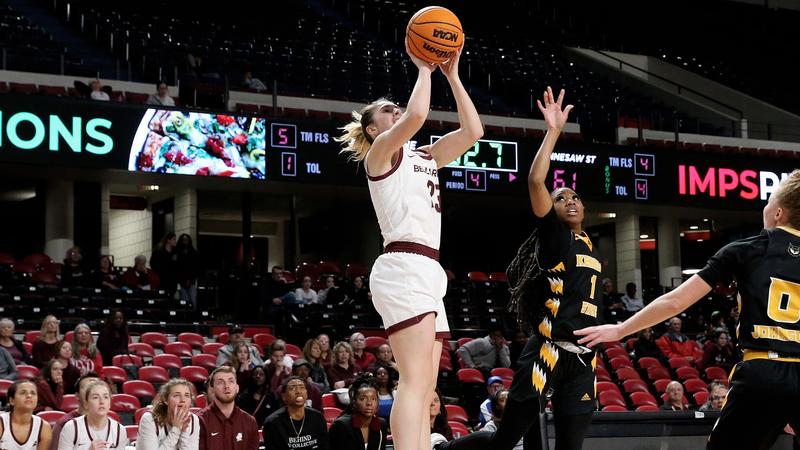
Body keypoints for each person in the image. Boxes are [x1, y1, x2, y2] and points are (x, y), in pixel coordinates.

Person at [575, 170, 800, 449]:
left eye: (767, 201)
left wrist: (621, 329)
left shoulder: (746, 249)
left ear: (778, 213)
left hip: (765, 370)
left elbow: (675, 301)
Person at [335, 37, 482, 450]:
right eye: (387, 111)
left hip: (430, 270)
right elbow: (417, 114)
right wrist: (423, 66)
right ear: (372, 128)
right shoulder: (380, 155)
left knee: (427, 386)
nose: (395, 111)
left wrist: (452, 76)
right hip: (402, 263)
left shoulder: (425, 156)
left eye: (394, 107)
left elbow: (474, 131)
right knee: (414, 383)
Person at [441, 87, 595, 450]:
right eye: (561, 198)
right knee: (505, 442)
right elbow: (535, 181)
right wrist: (554, 132)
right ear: (550, 210)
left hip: (584, 359)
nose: (569, 201)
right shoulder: (555, 239)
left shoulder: (588, 243)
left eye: (574, 196)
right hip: (548, 352)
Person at [198, 366, 259, 450]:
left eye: (231, 381)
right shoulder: (200, 420)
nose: (227, 386)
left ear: (237, 388)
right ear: (212, 390)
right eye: (220, 382)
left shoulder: (250, 422)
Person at [57, 380, 128, 450]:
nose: (101, 401)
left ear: (110, 403)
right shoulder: (71, 427)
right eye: (95, 397)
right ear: (86, 404)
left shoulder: (119, 430)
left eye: (106, 397)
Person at [262, 376, 329, 450]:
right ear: (284, 396)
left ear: (306, 394)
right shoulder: (273, 423)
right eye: (292, 388)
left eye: (302, 388)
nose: (298, 392)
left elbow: (324, 446)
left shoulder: (318, 418)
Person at [138, 378, 200, 450]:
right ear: (165, 400)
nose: (183, 400)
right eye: (176, 395)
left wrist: (183, 432)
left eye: (187, 395)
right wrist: (176, 430)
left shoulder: (194, 419)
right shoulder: (149, 419)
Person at [329, 374, 388, 450]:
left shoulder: (381, 424)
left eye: (373, 399)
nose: (369, 403)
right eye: (363, 399)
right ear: (354, 402)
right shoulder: (341, 426)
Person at [50, 373, 100, 450]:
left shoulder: (111, 423)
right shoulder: (64, 424)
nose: (93, 392)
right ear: (77, 396)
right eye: (88, 388)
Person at [0, 380, 53, 450]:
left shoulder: (44, 427)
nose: (29, 396)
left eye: (33, 393)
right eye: (23, 392)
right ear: (12, 400)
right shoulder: (1, 422)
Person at [175, 234, 199, 308]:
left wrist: (191, 280)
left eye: (187, 240)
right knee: (184, 301)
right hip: (180, 282)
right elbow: (177, 269)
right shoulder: (177, 253)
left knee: (193, 301)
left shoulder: (194, 253)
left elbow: (196, 268)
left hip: (191, 282)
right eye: (184, 240)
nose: (185, 242)